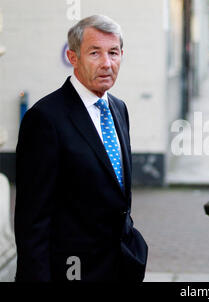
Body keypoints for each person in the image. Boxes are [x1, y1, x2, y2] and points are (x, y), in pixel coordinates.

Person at [14, 15, 148, 282]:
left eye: (113, 52)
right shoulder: (45, 119)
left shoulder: (118, 108)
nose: (107, 63)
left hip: (119, 263)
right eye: (95, 53)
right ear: (73, 57)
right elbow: (32, 220)